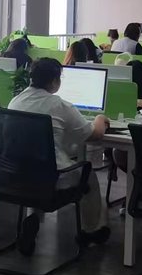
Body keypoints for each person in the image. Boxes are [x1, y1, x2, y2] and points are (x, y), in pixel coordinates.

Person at [8, 58, 111, 251]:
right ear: (54, 81)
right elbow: (95, 135)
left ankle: (33, 218)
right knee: (88, 173)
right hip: (51, 178)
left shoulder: (16, 101)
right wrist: (100, 118)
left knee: (40, 165)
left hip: (17, 174)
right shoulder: (59, 105)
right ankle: (91, 230)